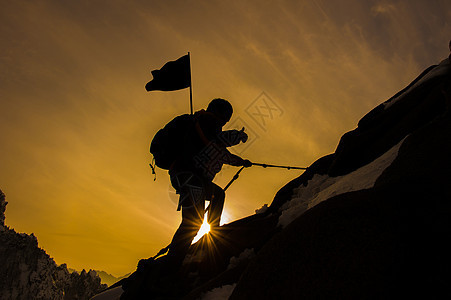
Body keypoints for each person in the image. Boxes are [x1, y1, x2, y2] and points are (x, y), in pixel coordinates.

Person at [167, 98, 251, 269]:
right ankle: (171, 265)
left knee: (217, 195)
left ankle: (212, 234)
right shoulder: (206, 122)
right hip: (190, 179)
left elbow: (220, 153)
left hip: (188, 178)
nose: (225, 122)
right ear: (220, 114)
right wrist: (238, 136)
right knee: (192, 222)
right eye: (226, 118)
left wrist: (241, 162)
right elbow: (221, 141)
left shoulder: (203, 127)